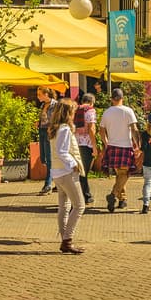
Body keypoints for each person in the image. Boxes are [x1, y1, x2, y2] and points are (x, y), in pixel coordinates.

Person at [49, 98, 85, 254]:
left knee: (64, 206)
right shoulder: (64, 129)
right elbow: (62, 151)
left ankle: (64, 238)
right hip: (66, 172)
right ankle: (67, 240)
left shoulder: (55, 128)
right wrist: (73, 164)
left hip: (57, 172)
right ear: (67, 113)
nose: (74, 114)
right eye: (73, 112)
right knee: (79, 205)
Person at [99, 88, 139, 212]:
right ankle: (112, 194)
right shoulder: (128, 111)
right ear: (123, 98)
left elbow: (101, 130)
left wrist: (106, 143)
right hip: (126, 146)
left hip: (112, 147)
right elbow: (134, 129)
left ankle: (122, 199)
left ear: (112, 99)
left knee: (120, 174)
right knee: (124, 174)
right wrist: (137, 145)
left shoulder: (107, 112)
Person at [73, 93, 98, 205]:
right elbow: (92, 130)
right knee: (83, 172)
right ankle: (85, 196)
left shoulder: (75, 110)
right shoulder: (90, 111)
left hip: (76, 143)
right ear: (92, 102)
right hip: (86, 144)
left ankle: (84, 195)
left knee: (80, 171)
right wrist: (94, 146)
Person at [36, 86, 57, 195]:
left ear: (46, 94)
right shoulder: (43, 105)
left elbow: (57, 119)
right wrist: (38, 122)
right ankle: (58, 182)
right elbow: (43, 118)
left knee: (49, 159)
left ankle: (48, 185)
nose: (37, 96)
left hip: (49, 133)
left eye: (39, 94)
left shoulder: (55, 105)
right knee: (43, 158)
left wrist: (51, 127)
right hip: (42, 131)